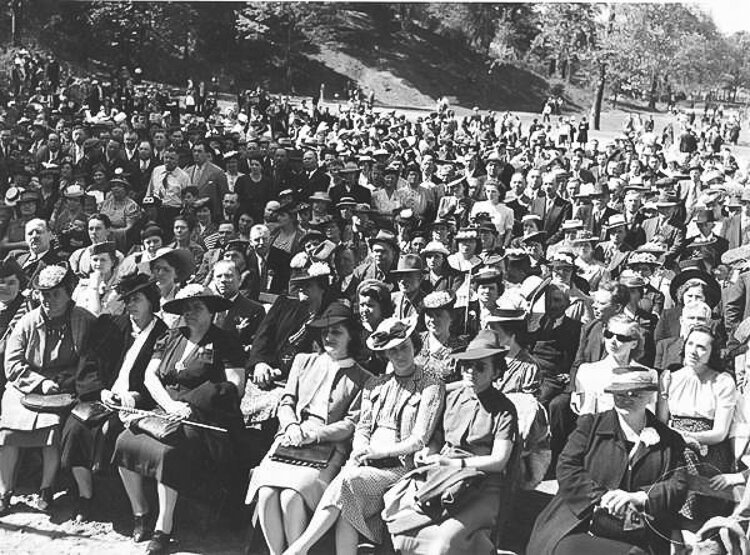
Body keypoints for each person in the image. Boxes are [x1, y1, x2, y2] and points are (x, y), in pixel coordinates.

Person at [283, 317, 444, 555]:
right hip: (365, 461)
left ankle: (298, 549)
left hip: (398, 467)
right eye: (393, 351)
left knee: (347, 483)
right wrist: (361, 451)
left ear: (415, 347)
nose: (400, 355)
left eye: (404, 347)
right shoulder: (375, 384)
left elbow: (419, 438)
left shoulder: (430, 385)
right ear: (384, 355)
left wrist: (380, 452)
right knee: (348, 505)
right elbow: (363, 427)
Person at [113, 285, 245, 554]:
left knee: (169, 453)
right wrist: (170, 404)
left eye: (197, 307)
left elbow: (236, 386)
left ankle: (164, 526)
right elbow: (151, 376)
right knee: (124, 441)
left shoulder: (225, 341)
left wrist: (192, 404)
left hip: (206, 417)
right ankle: (142, 513)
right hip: (166, 410)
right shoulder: (172, 336)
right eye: (186, 308)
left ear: (211, 311)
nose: (190, 313)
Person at [245, 302, 372, 554]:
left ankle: (295, 550)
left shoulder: (363, 377)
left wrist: (313, 435)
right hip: (290, 437)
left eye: (337, 332)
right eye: (325, 331)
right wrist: (292, 425)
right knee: (268, 492)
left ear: (351, 336)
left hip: (326, 446)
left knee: (292, 496)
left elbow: (351, 423)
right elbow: (286, 401)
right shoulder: (304, 361)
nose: (329, 337)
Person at [528, 367, 688, 554]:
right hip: (579, 522)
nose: (626, 398)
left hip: (641, 529)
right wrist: (602, 497)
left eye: (634, 393)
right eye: (619, 393)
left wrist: (639, 497)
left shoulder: (670, 440)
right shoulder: (589, 426)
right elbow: (567, 467)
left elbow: (678, 484)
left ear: (650, 396)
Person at [386, 330, 518, 555]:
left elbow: (499, 460)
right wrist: (430, 452)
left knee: (443, 544)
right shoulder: (451, 396)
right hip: (441, 478)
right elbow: (437, 437)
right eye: (467, 365)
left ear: (496, 371)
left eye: (480, 367)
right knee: (402, 530)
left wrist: (455, 464)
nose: (471, 372)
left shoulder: (504, 409)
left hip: (482, 485)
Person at [60, 273, 167, 523]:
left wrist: (133, 398)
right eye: (127, 300)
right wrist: (101, 391)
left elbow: (161, 378)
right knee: (75, 428)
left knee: (113, 432)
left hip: (138, 404)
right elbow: (90, 362)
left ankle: (137, 510)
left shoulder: (163, 334)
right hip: (101, 397)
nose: (131, 305)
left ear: (151, 301)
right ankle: (85, 496)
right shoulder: (111, 325)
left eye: (137, 299)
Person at [0, 265, 96, 514]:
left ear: (68, 294)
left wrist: (67, 380)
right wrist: (38, 382)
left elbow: (91, 358)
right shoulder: (28, 321)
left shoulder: (83, 320)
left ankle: (46, 488)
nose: (48, 300)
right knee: (8, 433)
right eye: (43, 294)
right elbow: (12, 362)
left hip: (61, 390)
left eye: (55, 294)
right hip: (24, 385)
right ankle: (5, 490)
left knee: (50, 429)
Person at [658, 323, 736, 522]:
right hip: (673, 443)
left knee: (690, 461)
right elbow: (662, 422)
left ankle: (695, 526)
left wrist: (690, 438)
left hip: (708, 447)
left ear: (712, 352)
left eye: (702, 347)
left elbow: (720, 432)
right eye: (691, 344)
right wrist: (678, 438)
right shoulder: (669, 378)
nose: (694, 350)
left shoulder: (722, 381)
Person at [573, 313, 656, 417]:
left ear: (634, 343)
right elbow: (586, 415)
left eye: (621, 338)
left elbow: (649, 414)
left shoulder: (647, 375)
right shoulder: (588, 371)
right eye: (609, 334)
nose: (613, 341)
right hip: (600, 428)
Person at [415, 291, 466, 388]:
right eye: (429, 315)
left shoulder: (461, 348)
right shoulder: (416, 340)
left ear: (451, 317)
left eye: (438, 315)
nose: (433, 320)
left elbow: (465, 382)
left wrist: (438, 388)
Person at [487, 308, 540, 396]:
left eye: (494, 330)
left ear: (511, 333)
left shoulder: (528, 368)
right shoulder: (488, 358)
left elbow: (529, 404)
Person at [72, 241, 124, 317]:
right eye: (95, 260)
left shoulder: (119, 288)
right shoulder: (83, 285)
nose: (98, 264)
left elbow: (96, 315)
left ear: (112, 262)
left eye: (103, 260)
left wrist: (94, 286)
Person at [356, 279, 393, 375]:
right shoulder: (356, 331)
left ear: (382, 307)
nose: (364, 310)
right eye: (362, 305)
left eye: (370, 305)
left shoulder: (390, 331)